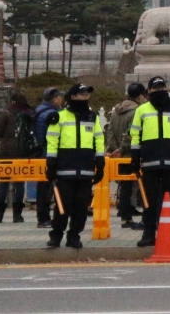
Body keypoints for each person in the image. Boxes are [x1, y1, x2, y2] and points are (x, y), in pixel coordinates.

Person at [130, 76, 170, 247]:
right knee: (149, 202)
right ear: (149, 91)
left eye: (161, 87)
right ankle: (148, 234)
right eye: (155, 88)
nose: (159, 91)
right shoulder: (141, 110)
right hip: (149, 163)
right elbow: (135, 135)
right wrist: (135, 158)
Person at [44, 83, 105, 249]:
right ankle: (56, 236)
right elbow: (52, 140)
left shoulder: (93, 117)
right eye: (81, 94)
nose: (85, 96)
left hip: (85, 167)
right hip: (65, 168)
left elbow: (99, 139)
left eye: (87, 94)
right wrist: (50, 163)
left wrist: (100, 162)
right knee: (62, 205)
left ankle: (74, 236)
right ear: (72, 97)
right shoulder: (60, 116)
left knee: (81, 207)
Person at [0, 90, 35, 223]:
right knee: (20, 183)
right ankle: (17, 215)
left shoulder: (7, 113)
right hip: (23, 152)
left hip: (6, 152)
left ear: (13, 101)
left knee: (4, 182)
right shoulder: (29, 113)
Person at [108, 83, 146, 229]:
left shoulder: (117, 110)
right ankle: (127, 215)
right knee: (131, 185)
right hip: (130, 152)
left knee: (124, 185)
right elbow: (130, 134)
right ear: (139, 96)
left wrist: (112, 149)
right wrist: (123, 149)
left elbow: (110, 131)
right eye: (143, 95)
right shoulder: (137, 111)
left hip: (117, 152)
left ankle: (124, 213)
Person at [32, 87, 65, 228]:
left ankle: (43, 217)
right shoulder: (52, 114)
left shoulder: (39, 110)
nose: (61, 99)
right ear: (54, 99)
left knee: (43, 186)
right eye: (59, 97)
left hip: (41, 153)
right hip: (49, 154)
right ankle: (44, 218)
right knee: (47, 187)